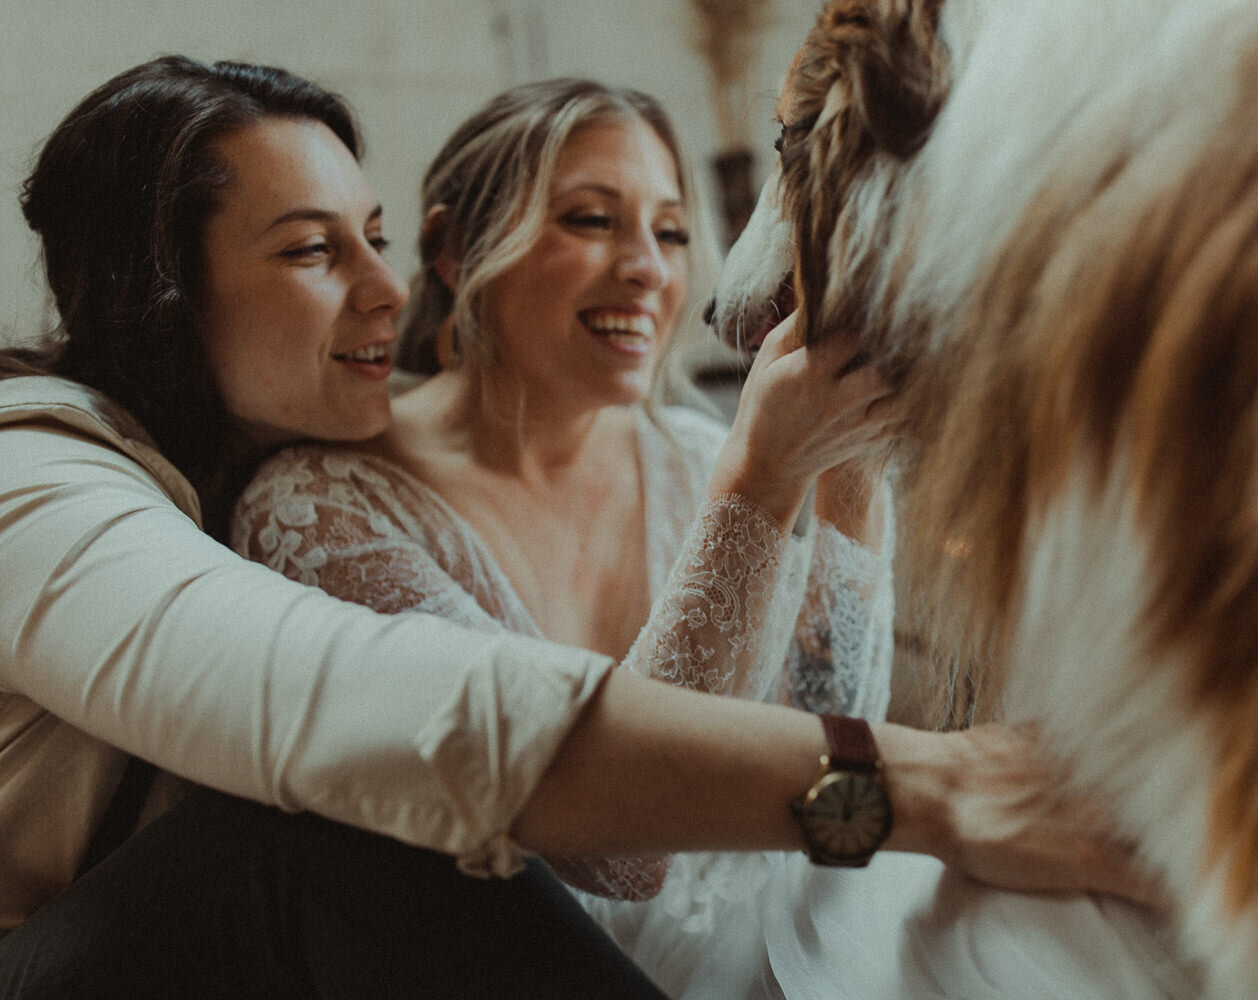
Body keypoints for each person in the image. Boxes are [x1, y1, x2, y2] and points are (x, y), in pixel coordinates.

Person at [0, 56, 1159, 999]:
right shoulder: (38, 486)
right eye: (311, 248)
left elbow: (809, 740)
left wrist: (838, 471)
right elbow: (399, 717)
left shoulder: (236, 454)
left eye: (372, 236)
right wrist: (941, 784)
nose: (388, 290)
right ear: (156, 291)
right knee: (346, 821)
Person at [231, 78, 901, 990]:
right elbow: (618, 856)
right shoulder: (323, 510)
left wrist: (850, 472)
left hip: (777, 952)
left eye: (669, 233)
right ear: (453, 251)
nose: (647, 269)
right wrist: (767, 478)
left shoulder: (699, 454)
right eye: (592, 221)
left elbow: (834, 784)